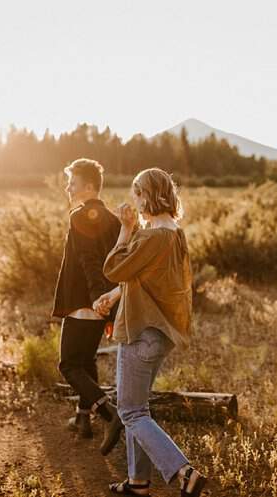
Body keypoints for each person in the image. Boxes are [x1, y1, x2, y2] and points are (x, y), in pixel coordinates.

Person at [100, 168, 209, 497]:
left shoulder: (151, 236)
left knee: (130, 411)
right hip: (160, 334)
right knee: (139, 408)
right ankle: (138, 482)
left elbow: (113, 267)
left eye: (138, 194)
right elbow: (146, 279)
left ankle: (184, 472)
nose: (135, 201)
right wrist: (116, 295)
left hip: (141, 332)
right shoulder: (174, 233)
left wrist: (125, 229)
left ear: (149, 195)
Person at [49, 158, 123, 447]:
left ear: (89, 187)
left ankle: (108, 413)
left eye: (73, 183)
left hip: (85, 301)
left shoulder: (80, 215)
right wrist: (108, 303)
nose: (68, 187)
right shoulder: (114, 220)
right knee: (86, 361)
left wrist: (96, 298)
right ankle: (82, 419)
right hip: (102, 301)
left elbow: (89, 259)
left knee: (68, 365)